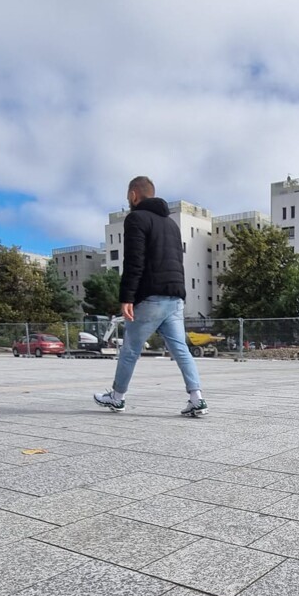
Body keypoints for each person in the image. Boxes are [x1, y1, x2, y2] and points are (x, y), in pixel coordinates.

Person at [93, 176, 207, 417]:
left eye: (128, 198)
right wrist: (180, 294)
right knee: (180, 350)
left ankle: (117, 397)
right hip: (175, 297)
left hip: (151, 298)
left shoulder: (136, 218)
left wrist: (127, 297)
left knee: (130, 350)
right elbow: (177, 262)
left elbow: (134, 261)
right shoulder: (171, 224)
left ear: (134, 195)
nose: (128, 201)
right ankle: (197, 398)